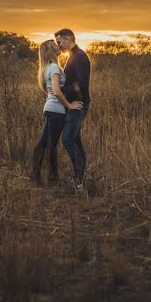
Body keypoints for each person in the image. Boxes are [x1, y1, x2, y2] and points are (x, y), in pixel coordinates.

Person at [31, 39, 83, 186]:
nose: (58, 46)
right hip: (56, 110)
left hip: (51, 109)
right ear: (51, 50)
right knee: (51, 144)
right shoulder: (54, 68)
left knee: (44, 142)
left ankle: (36, 175)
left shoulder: (49, 67)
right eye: (55, 45)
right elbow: (57, 91)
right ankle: (52, 178)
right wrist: (69, 105)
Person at [54, 28, 91, 191]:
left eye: (59, 42)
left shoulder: (80, 57)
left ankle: (79, 180)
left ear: (68, 39)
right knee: (75, 140)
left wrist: (63, 92)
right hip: (74, 104)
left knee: (68, 140)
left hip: (78, 104)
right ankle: (81, 177)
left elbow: (82, 83)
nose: (58, 45)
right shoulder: (73, 56)